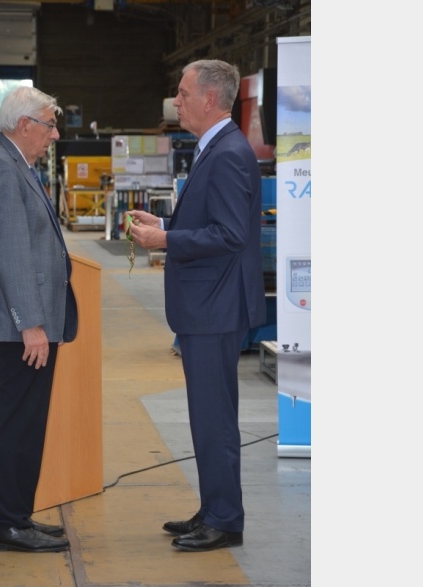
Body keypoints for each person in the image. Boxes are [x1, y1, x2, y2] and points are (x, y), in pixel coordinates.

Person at [126, 59, 265, 552]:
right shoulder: (218, 148)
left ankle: (224, 520)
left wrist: (165, 238)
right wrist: (165, 222)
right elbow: (213, 220)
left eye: (183, 94)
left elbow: (229, 233)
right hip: (211, 304)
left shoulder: (225, 152)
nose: (176, 102)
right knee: (208, 416)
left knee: (214, 418)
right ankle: (214, 509)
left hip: (215, 306)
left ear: (210, 99)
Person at [0, 85, 78, 553]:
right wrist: (32, 323)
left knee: (22, 420)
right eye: (50, 125)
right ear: (25, 124)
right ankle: (10, 523)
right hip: (21, 326)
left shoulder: (15, 163)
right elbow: (11, 253)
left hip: (25, 322)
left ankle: (7, 516)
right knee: (20, 422)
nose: (54, 134)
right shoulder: (2, 167)